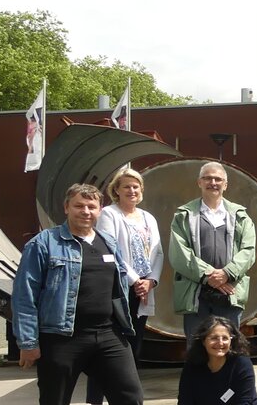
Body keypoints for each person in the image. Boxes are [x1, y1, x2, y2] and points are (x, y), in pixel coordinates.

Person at [12, 183, 143, 405]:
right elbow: (24, 295)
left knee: (131, 397)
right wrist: (28, 343)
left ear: (100, 210)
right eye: (78, 206)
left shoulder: (108, 243)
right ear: (66, 207)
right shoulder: (44, 244)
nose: (85, 211)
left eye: (91, 206)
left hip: (108, 334)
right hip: (62, 338)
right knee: (55, 399)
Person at [88, 167, 164, 405]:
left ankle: (126, 397)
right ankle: (96, 399)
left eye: (136, 186)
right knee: (108, 347)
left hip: (143, 290)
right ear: (116, 190)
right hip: (119, 288)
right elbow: (110, 250)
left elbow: (158, 252)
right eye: (126, 187)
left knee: (133, 345)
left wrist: (151, 280)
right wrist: (135, 281)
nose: (132, 190)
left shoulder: (147, 217)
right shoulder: (109, 214)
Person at [169, 161, 257, 340]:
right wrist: (210, 276)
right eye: (207, 178)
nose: (213, 183)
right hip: (196, 294)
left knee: (229, 348)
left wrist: (227, 273)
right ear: (199, 182)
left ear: (225, 185)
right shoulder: (184, 215)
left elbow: (248, 250)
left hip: (229, 293)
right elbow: (179, 253)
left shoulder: (240, 216)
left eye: (218, 179)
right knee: (196, 348)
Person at [178, 317, 257, 405]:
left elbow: (244, 401)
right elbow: (184, 400)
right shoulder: (192, 365)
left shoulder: (241, 363)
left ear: (231, 341)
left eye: (225, 338)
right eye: (214, 338)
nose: (220, 343)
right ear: (203, 341)